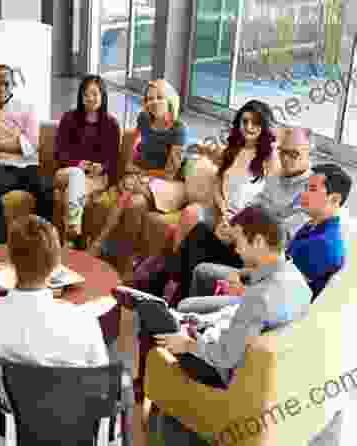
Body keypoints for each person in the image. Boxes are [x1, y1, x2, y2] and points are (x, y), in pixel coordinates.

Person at [0, 215, 137, 446]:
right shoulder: (83, 320)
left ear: (10, 259)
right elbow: (99, 384)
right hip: (80, 434)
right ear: (56, 264)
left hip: (18, 434)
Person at [125, 206, 312, 399]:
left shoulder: (260, 298)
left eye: (238, 241)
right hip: (223, 337)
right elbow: (241, 315)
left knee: (151, 321)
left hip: (216, 368)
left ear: (258, 241)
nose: (236, 249)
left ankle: (146, 390)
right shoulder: (296, 279)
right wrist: (203, 320)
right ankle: (165, 316)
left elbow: (225, 357)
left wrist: (188, 345)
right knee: (173, 316)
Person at [189, 162, 351, 304]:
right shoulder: (313, 224)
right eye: (306, 188)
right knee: (204, 266)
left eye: (312, 189)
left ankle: (189, 320)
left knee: (203, 274)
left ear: (334, 199)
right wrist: (242, 275)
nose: (303, 194)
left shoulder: (322, 245)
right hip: (266, 280)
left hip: (268, 303)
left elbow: (284, 294)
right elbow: (277, 269)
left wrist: (242, 288)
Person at [87, 79, 188, 256]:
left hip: (168, 185)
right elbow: (133, 150)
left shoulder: (179, 129)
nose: (153, 102)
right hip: (143, 180)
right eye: (149, 99)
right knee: (135, 203)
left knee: (129, 190)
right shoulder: (144, 118)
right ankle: (122, 256)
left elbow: (170, 173)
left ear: (170, 99)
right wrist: (133, 167)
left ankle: (100, 242)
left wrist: (139, 173)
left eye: (159, 97)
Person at [170, 100, 281, 252]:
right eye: (245, 121)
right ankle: (174, 266)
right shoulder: (233, 149)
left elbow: (270, 200)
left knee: (219, 238)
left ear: (264, 126)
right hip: (221, 212)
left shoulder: (270, 158)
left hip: (246, 221)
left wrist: (237, 219)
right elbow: (218, 182)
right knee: (190, 213)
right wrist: (222, 208)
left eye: (255, 122)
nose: (248, 127)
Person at [0, 64, 54, 242]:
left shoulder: (27, 107)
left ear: (13, 84)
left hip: (28, 166)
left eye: (6, 83)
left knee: (47, 189)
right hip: (1, 168)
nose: (0, 88)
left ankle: (44, 241)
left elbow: (32, 144)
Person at [53, 74, 121, 242]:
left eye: (95, 94)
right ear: (80, 96)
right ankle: (74, 229)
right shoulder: (69, 118)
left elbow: (113, 158)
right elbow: (59, 152)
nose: (90, 98)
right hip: (66, 173)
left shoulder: (111, 124)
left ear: (102, 96)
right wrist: (78, 164)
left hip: (97, 177)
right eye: (86, 94)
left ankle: (69, 239)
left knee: (72, 191)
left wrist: (102, 167)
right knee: (76, 175)